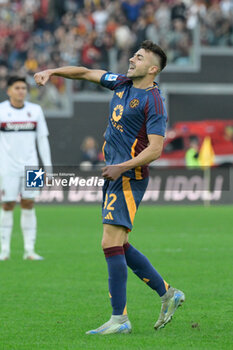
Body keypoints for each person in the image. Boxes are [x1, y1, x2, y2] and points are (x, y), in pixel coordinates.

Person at [34, 40, 185, 334]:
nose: (132, 59)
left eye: (139, 58)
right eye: (134, 55)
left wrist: (122, 166)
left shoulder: (154, 101)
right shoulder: (122, 83)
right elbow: (86, 73)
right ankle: (167, 294)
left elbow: (155, 149)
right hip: (113, 174)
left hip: (128, 177)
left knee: (109, 243)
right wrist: (52, 71)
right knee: (118, 244)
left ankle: (120, 319)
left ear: (152, 69)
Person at [0, 76, 52, 261]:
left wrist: (48, 167)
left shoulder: (35, 110)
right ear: (9, 91)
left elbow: (42, 140)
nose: (21, 91)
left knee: (29, 204)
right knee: (7, 205)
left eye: (23, 88)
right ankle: (4, 250)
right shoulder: (1, 111)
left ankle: (29, 250)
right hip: (7, 168)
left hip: (32, 168)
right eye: (17, 88)